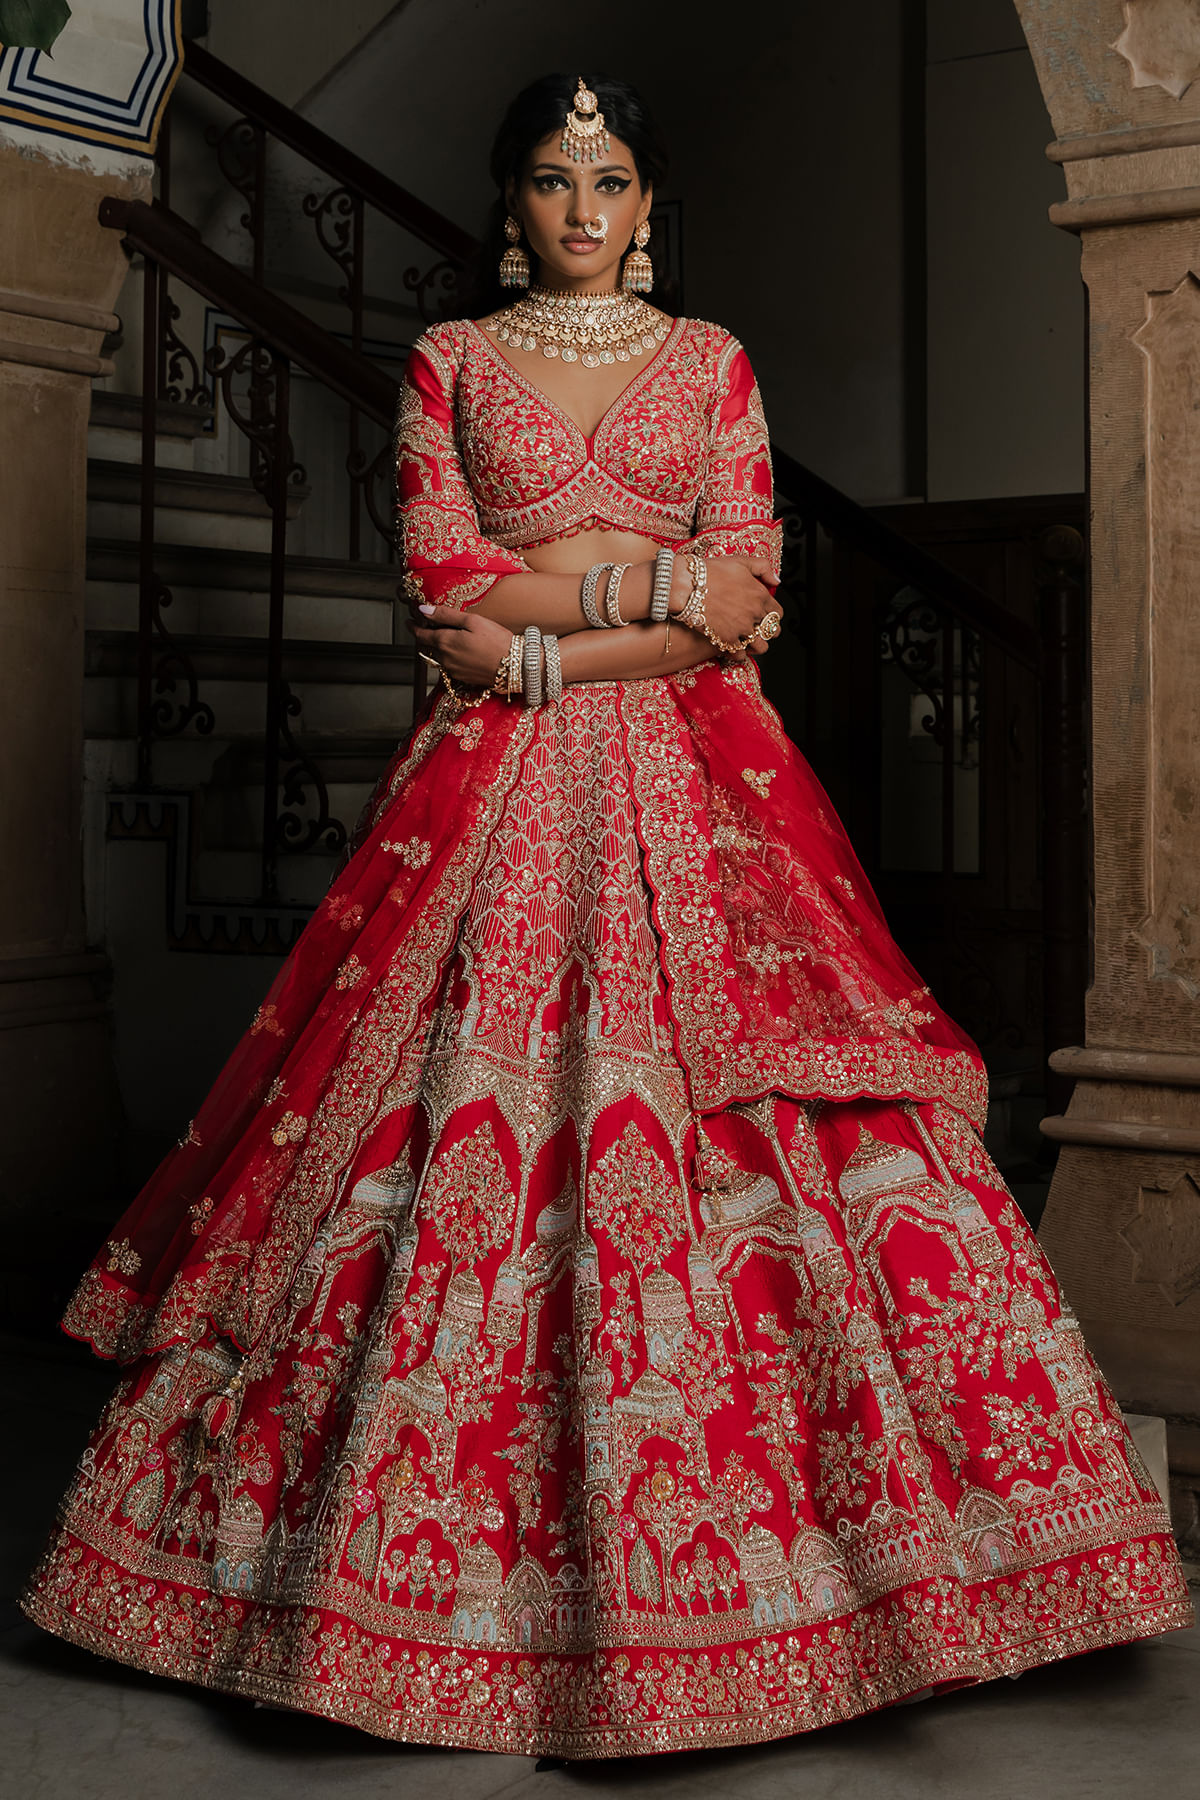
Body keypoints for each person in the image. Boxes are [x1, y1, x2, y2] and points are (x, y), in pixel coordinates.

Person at [22, 72, 1192, 1759]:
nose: (587, 206)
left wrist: (565, 637)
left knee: (787, 1112)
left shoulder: (712, 362)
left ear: (649, 209)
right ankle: (401, 1588)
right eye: (559, 180)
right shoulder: (449, 364)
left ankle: (849, 1577)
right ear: (514, 202)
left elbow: (747, 592)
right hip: (487, 800)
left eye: (617, 179)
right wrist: (645, 598)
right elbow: (445, 585)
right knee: (413, 1123)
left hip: (695, 782)